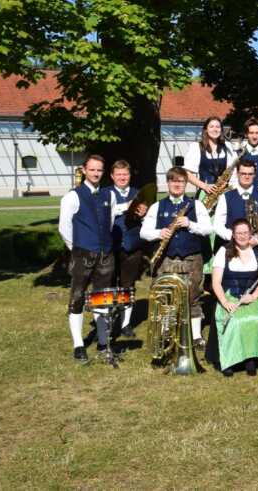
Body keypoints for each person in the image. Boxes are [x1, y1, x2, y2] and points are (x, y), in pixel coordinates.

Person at [140, 167, 214, 350]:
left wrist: (190, 224)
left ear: (186, 183)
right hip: (166, 259)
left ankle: (196, 337)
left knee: (193, 295)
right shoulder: (157, 206)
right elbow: (143, 232)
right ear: (168, 183)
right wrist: (159, 233)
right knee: (166, 297)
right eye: (173, 181)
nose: (177, 184)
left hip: (191, 258)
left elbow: (208, 229)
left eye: (181, 181)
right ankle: (166, 333)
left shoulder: (196, 205)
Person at [59, 154, 116, 362]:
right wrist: (77, 248)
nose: (96, 173)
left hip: (105, 255)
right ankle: (79, 345)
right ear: (84, 170)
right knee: (77, 298)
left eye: (99, 170)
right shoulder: (73, 196)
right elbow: (64, 227)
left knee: (102, 298)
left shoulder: (109, 195)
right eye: (92, 169)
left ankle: (102, 342)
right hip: (82, 253)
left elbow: (109, 223)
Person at [211, 219, 258, 377]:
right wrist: (225, 302)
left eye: (245, 233)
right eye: (238, 233)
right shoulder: (224, 252)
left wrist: (254, 296)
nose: (242, 236)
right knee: (234, 320)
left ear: (251, 234)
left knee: (255, 318)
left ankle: (250, 358)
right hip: (229, 296)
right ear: (233, 235)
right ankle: (230, 360)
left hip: (250, 297)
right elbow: (216, 283)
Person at [107, 159, 148, 338]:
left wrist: (145, 214)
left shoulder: (138, 193)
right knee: (108, 285)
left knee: (128, 286)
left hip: (132, 247)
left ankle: (125, 323)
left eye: (125, 174)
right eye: (119, 175)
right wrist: (122, 207)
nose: (122, 177)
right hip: (109, 246)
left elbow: (148, 221)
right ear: (112, 176)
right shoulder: (105, 193)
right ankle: (107, 321)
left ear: (129, 176)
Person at [213, 159, 258, 247]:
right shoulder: (226, 197)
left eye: (250, 174)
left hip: (256, 247)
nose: (247, 177)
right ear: (237, 174)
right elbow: (218, 225)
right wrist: (235, 238)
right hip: (232, 247)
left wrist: (257, 239)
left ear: (254, 175)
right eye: (243, 173)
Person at [183, 116, 235, 196]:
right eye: (211, 127)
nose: (215, 129)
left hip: (225, 193)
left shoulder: (228, 146)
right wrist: (205, 186)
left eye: (218, 127)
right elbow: (187, 173)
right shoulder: (196, 147)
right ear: (206, 130)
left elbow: (234, 171)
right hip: (205, 194)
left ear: (221, 130)